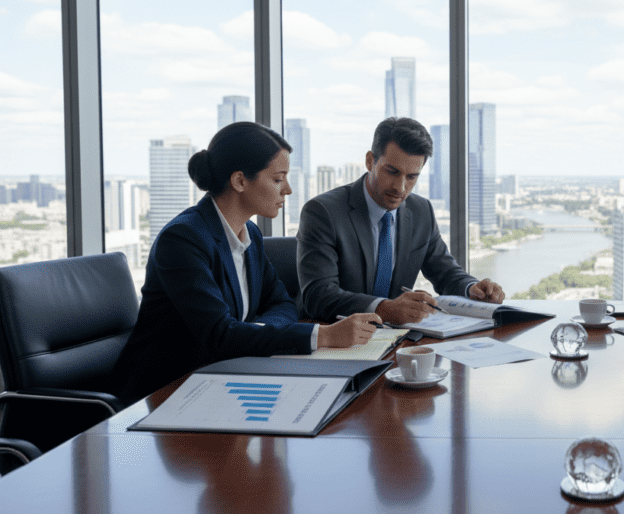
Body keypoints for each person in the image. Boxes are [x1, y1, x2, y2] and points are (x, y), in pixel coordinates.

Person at [111, 122, 378, 403]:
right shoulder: (183, 239)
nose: (287, 189)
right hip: (164, 394)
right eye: (278, 179)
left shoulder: (250, 234)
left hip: (223, 383)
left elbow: (282, 303)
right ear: (239, 181)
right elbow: (220, 336)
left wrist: (254, 332)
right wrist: (323, 336)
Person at [297, 117, 505, 325]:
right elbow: (318, 296)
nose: (401, 187)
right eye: (392, 172)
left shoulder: (421, 211)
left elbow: (446, 273)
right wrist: (383, 309)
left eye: (412, 177)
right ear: (370, 161)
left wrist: (472, 288)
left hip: (399, 338)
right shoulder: (323, 212)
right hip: (340, 336)